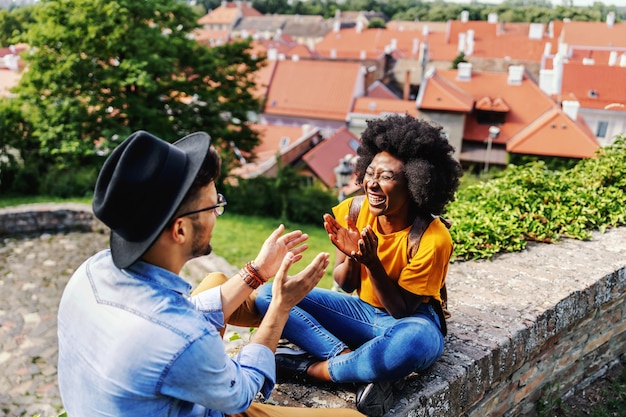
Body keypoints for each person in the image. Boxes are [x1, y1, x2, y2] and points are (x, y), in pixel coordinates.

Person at [57, 130, 365, 417]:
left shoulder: (90, 272)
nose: (218, 214)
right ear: (180, 229)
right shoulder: (183, 335)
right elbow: (240, 393)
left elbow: (173, 320)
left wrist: (256, 273)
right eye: (214, 206)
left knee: (216, 285)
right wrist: (280, 307)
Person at [255, 115, 463, 417]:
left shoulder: (432, 237)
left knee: (414, 343)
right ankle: (353, 361)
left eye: (387, 177)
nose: (372, 184)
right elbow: (347, 284)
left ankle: (312, 368)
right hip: (362, 314)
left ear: (416, 184)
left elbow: (401, 311)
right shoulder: (355, 209)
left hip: (411, 321)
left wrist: (372, 262)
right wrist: (353, 256)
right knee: (269, 296)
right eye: (370, 173)